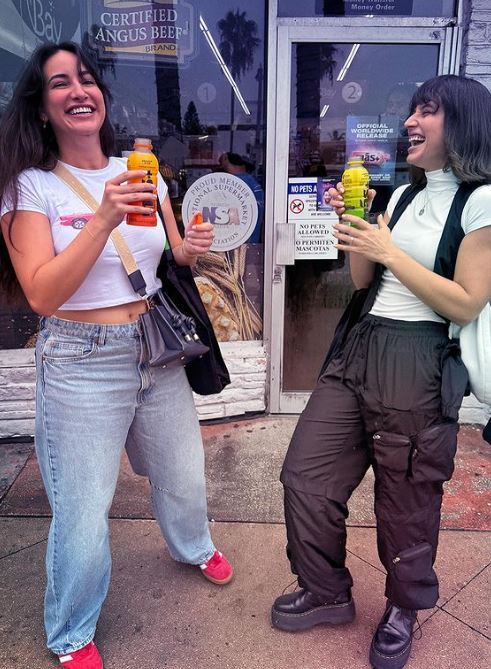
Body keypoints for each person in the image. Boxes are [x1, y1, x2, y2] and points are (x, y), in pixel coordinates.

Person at [0, 42, 233, 669]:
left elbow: (168, 256)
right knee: (83, 509)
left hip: (154, 346)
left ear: (101, 95)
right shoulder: (32, 187)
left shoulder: (141, 169)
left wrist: (191, 246)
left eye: (85, 79)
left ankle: (192, 545)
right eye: (58, 83)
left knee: (184, 475)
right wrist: (101, 218)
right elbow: (42, 292)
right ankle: (71, 630)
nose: (78, 91)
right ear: (42, 107)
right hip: (80, 358)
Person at [271, 74, 491, 669]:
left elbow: (467, 301)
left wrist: (391, 251)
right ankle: (326, 590)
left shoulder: (481, 201)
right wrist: (361, 238)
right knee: (305, 477)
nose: (411, 123)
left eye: (428, 111)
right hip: (360, 344)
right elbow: (366, 281)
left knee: (406, 499)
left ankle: (403, 608)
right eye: (412, 111)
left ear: (464, 122)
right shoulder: (397, 195)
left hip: (418, 358)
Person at [218, 151, 264, 242]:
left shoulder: (236, 183)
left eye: (221, 160)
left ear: (226, 158)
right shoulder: (251, 181)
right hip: (252, 239)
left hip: (240, 241)